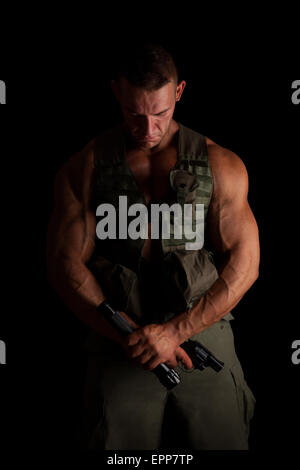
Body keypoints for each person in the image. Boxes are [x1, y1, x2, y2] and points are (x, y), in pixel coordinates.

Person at [46, 41, 260, 450]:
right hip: (117, 338)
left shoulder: (221, 165)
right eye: (134, 114)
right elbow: (63, 265)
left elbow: (246, 263)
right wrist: (131, 336)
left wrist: (175, 332)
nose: (148, 130)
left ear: (179, 92)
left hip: (203, 331)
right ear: (116, 93)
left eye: (160, 114)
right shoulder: (86, 167)